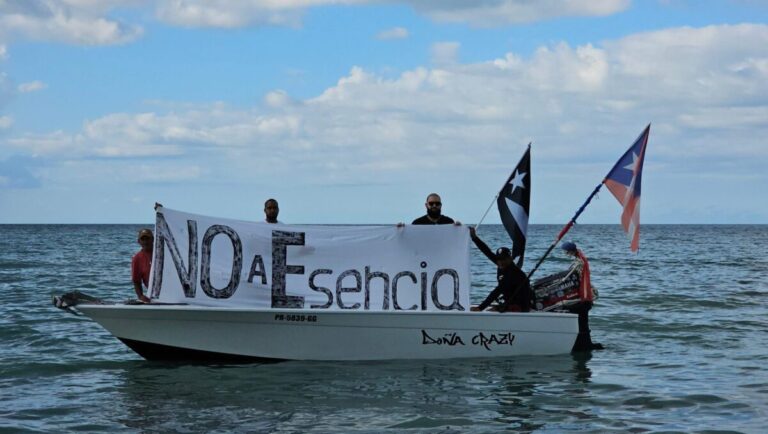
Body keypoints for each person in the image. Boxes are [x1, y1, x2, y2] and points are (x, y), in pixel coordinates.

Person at [469, 227, 532, 312]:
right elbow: (487, 252)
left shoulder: (514, 273)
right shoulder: (501, 264)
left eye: (504, 259)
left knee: (491, 311)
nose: (501, 262)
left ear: (510, 258)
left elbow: (497, 291)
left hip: (520, 307)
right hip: (509, 302)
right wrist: (474, 238)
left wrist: (480, 308)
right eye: (499, 259)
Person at [560, 241, 604, 351]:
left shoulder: (579, 262)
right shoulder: (580, 259)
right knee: (583, 322)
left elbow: (574, 278)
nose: (565, 253)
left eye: (566, 251)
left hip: (583, 298)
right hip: (586, 298)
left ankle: (583, 344)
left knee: (581, 321)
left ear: (570, 251)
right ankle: (585, 343)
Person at [131, 228, 153, 303]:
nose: (145, 241)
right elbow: (136, 280)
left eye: (147, 239)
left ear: (153, 239)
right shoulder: (137, 258)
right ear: (139, 241)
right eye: (143, 239)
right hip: (154, 295)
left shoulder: (162, 253)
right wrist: (140, 296)